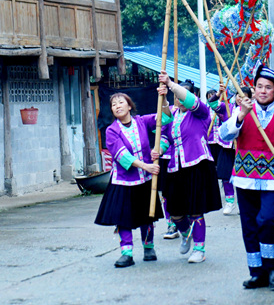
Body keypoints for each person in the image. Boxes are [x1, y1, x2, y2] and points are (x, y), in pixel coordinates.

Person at [219, 65, 274, 290]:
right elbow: (224, 134)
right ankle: (257, 272)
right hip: (244, 178)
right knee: (249, 225)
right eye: (259, 86)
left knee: (267, 220)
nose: (263, 91)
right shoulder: (244, 111)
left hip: (273, 179)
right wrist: (240, 115)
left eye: (268, 87)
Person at [157, 72, 222, 263]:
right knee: (174, 210)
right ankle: (186, 233)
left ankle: (199, 249)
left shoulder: (200, 112)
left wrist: (170, 83)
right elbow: (165, 138)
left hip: (197, 165)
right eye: (177, 97)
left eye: (183, 96)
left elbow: (190, 100)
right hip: (175, 167)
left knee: (195, 210)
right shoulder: (172, 116)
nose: (180, 100)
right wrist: (158, 151)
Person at [94, 92, 164, 267]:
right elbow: (122, 156)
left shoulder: (141, 121)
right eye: (113, 104)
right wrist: (146, 166)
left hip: (145, 180)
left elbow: (165, 118)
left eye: (120, 102)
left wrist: (164, 98)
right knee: (123, 218)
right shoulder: (111, 131)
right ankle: (127, 253)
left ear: (129, 106)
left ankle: (149, 247)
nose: (117, 106)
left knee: (147, 215)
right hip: (123, 181)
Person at [207, 85, 239, 216]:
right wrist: (219, 93)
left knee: (243, 176)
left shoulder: (251, 110)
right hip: (226, 146)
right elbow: (213, 103)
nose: (240, 99)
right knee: (226, 174)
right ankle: (230, 201)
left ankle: (244, 203)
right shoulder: (226, 108)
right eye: (238, 96)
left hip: (243, 148)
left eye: (244, 97)